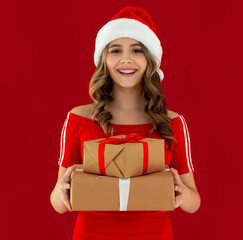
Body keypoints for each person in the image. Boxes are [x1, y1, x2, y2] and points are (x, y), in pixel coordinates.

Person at [49, 6, 201, 240]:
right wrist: (61, 192)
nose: (126, 59)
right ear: (104, 60)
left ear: (149, 59)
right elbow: (58, 204)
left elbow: (194, 202)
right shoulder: (78, 118)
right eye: (116, 50)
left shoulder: (173, 122)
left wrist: (181, 194)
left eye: (137, 50)